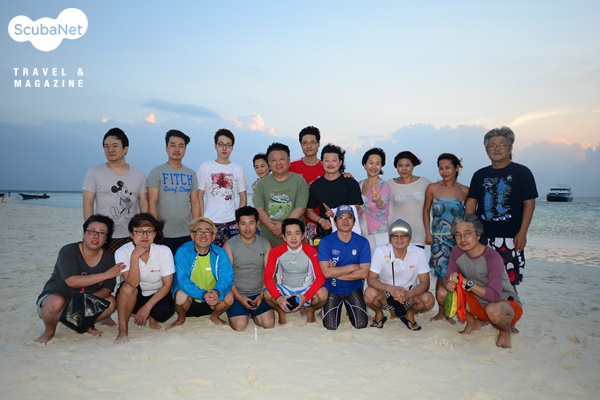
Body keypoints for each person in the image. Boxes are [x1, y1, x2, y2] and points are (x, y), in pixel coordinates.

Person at [465, 127, 538, 287]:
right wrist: (470, 231)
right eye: (492, 145)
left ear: (510, 148)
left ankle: (511, 305)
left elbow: (529, 204)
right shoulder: (479, 175)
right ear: (486, 150)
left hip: (511, 237)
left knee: (508, 283)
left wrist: (522, 233)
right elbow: (471, 203)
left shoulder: (522, 172)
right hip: (482, 237)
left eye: (502, 145)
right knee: (481, 280)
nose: (497, 149)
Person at [35, 215, 125, 344]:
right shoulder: (68, 251)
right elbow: (72, 281)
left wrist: (82, 302)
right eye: (92, 231)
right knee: (55, 301)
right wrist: (105, 275)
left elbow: (107, 289)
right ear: (83, 234)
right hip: (56, 302)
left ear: (106, 238)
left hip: (82, 305)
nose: (96, 236)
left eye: (101, 233)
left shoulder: (108, 258)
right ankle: (49, 332)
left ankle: (84, 324)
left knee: (111, 302)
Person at [438, 214, 523, 348]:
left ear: (478, 235)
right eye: (458, 235)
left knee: (493, 309)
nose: (462, 239)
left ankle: (505, 331)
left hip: (505, 305)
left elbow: (494, 296)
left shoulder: (492, 257)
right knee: (442, 293)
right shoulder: (456, 251)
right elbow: (447, 277)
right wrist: (448, 283)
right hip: (479, 304)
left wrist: (466, 282)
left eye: (467, 234)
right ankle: (473, 322)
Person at [83, 127, 148, 253]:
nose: (110, 150)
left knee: (132, 265)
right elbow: (88, 203)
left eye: (115, 146)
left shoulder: (139, 175)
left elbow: (144, 204)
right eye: (106, 146)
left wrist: (143, 230)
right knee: (105, 265)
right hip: (104, 236)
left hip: (132, 235)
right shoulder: (94, 172)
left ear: (125, 149)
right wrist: (91, 232)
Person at [114, 213, 175, 344]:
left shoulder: (164, 251)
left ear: (155, 233)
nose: (145, 236)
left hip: (157, 292)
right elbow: (133, 283)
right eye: (139, 231)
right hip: (135, 293)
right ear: (131, 234)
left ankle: (151, 317)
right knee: (127, 288)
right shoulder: (122, 252)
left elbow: (167, 284)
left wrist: (147, 307)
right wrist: (134, 257)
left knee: (164, 313)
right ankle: (123, 329)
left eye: (149, 231)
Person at [364, 219, 434, 330]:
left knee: (428, 299)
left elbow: (425, 283)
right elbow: (371, 279)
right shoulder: (381, 251)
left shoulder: (419, 253)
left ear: (410, 237)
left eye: (404, 236)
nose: (399, 239)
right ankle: (379, 313)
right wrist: (390, 289)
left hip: (408, 295)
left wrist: (409, 294)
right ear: (390, 238)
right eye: (395, 236)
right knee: (369, 294)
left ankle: (409, 313)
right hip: (386, 295)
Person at [423, 153, 469, 322]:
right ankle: (442, 311)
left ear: (457, 168)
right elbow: (425, 211)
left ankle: (454, 310)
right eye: (441, 168)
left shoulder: (464, 191)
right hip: (438, 240)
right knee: (441, 275)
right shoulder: (432, 188)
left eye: (448, 167)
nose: (444, 171)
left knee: (457, 275)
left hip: (458, 241)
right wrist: (428, 233)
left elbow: (469, 218)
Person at [169, 217, 234, 327]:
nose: (203, 235)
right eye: (199, 231)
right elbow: (182, 279)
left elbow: (226, 277)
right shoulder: (183, 251)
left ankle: (214, 316)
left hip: (212, 300)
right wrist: (202, 294)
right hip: (191, 298)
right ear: (192, 235)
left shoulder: (220, 253)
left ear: (213, 237)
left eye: (207, 232)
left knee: (229, 297)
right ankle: (181, 319)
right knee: (180, 295)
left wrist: (217, 292)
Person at [263, 218, 327, 325]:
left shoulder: (311, 251)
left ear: (302, 235)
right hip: (285, 291)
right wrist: (278, 298)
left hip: (305, 291)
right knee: (266, 293)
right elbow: (268, 276)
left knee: (323, 294)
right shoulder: (276, 251)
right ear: (284, 237)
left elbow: (320, 278)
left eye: (297, 233)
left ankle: (310, 310)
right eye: (289, 234)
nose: (293, 237)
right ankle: (281, 312)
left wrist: (304, 297)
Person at [147, 129, 200, 254]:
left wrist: (197, 228)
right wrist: (154, 229)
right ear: (166, 148)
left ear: (185, 149)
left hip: (186, 232)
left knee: (185, 265)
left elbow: (195, 202)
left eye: (181, 146)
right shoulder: (157, 172)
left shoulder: (191, 174)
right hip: (163, 233)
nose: (177, 149)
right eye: (173, 145)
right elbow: (152, 202)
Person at [318, 205, 370, 330]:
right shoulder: (326, 242)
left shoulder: (363, 242)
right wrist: (353, 267)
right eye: (341, 217)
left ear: (354, 222)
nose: (345, 220)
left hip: (353, 288)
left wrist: (335, 272)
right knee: (330, 326)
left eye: (349, 217)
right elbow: (326, 273)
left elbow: (364, 274)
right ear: (335, 222)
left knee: (361, 324)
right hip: (333, 287)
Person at [223, 206, 275, 331]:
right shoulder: (229, 245)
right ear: (237, 225)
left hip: (258, 292)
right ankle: (243, 312)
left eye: (251, 223)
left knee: (268, 324)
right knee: (240, 326)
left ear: (257, 224)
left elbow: (269, 272)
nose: (247, 228)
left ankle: (253, 313)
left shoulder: (265, 244)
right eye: (243, 224)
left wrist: (261, 295)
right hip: (237, 293)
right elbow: (227, 276)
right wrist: (239, 297)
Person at [197, 129, 247, 247]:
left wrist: (240, 220)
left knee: (234, 254)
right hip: (211, 221)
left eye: (228, 145)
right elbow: (199, 195)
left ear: (232, 147)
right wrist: (202, 219)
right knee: (213, 253)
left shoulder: (237, 169)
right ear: (215, 145)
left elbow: (243, 196)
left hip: (233, 221)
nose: (224, 148)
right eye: (221, 144)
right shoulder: (206, 167)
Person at [253, 142, 309, 247]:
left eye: (282, 159)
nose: (278, 163)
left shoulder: (299, 181)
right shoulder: (261, 184)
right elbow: (259, 210)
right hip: (268, 240)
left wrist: (284, 226)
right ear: (269, 163)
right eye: (274, 160)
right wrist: (272, 227)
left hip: (294, 240)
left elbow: (300, 208)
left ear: (289, 161)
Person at [306, 144, 363, 238]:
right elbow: (309, 210)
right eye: (327, 160)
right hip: (325, 233)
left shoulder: (351, 183)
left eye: (334, 160)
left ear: (340, 162)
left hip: (348, 233)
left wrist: (334, 213)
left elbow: (355, 208)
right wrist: (321, 220)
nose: (330, 164)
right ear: (322, 162)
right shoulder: (316, 185)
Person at [387, 151, 431, 248]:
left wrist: (429, 232)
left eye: (407, 165)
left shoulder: (425, 183)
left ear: (413, 165)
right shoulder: (389, 184)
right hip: (396, 234)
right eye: (400, 166)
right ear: (396, 166)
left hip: (418, 234)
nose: (404, 169)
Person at [290, 126, 325, 243]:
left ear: (318, 144)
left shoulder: (327, 167)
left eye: (312, 142)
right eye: (305, 143)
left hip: (321, 222)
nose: (309, 146)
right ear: (301, 145)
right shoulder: (291, 167)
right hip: (296, 222)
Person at [358, 147, 391, 254]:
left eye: (378, 164)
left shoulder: (383, 185)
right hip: (361, 232)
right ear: (364, 164)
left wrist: (378, 200)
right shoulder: (359, 184)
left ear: (381, 166)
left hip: (379, 234)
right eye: (371, 163)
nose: (374, 167)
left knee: (381, 262)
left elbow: (382, 203)